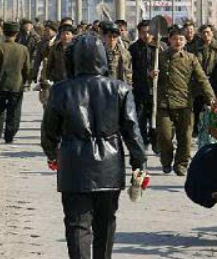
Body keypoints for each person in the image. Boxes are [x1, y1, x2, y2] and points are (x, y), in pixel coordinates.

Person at [41, 34, 147, 259]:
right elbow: (132, 130)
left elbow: (49, 131)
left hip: (73, 164)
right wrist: (139, 161)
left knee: (77, 224)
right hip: (109, 166)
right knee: (105, 222)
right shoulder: (120, 89)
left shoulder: (61, 90)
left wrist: (52, 154)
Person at [152, 27, 216, 176]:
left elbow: (202, 79)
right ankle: (166, 159)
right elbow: (151, 80)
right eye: (175, 38)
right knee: (165, 136)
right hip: (164, 104)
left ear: (185, 41)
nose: (178, 42)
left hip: (185, 103)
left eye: (181, 39)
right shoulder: (160, 57)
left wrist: (211, 97)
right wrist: (152, 75)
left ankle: (181, 164)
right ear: (169, 40)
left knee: (185, 139)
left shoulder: (191, 59)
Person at [0, 21, 31, 143]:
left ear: (4, 33)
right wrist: (27, 82)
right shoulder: (23, 49)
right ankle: (9, 136)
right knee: (14, 111)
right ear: (16, 33)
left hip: (1, 85)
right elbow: (27, 68)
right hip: (17, 85)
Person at [128, 20, 166, 150]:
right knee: (140, 118)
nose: (146, 35)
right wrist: (146, 73)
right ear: (139, 33)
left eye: (149, 32)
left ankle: (156, 143)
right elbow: (131, 70)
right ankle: (142, 144)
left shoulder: (161, 47)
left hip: (157, 90)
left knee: (156, 119)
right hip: (140, 90)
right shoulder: (133, 48)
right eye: (143, 32)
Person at [193, 24, 217, 137]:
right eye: (204, 32)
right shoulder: (196, 47)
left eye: (208, 32)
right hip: (199, 83)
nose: (206, 35)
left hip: (214, 82)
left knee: (214, 110)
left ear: (212, 33)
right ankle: (198, 132)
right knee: (198, 110)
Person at [32, 21, 59, 107]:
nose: (45, 33)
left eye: (48, 31)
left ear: (55, 31)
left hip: (59, 74)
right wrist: (34, 73)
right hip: (46, 74)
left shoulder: (60, 42)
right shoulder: (41, 43)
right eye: (45, 31)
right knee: (45, 98)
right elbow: (37, 60)